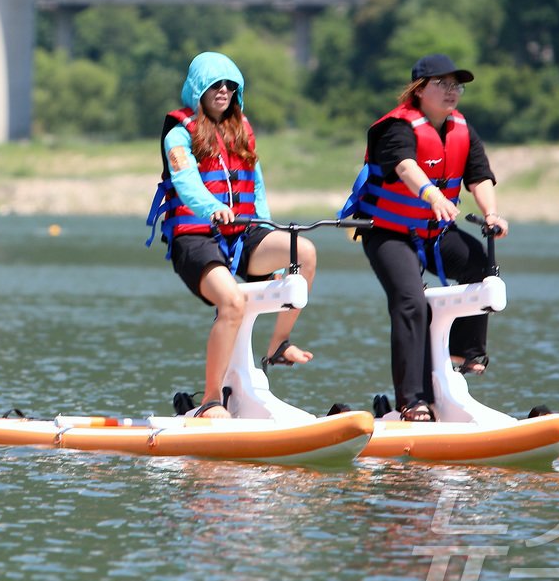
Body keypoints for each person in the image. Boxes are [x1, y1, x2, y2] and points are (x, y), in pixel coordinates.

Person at [146, 51, 316, 420]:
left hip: (241, 235)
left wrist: (267, 228)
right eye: (214, 84)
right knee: (233, 302)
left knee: (302, 252)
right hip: (195, 238)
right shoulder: (178, 134)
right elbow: (186, 182)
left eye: (229, 85)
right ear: (198, 89)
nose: (222, 90)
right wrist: (213, 209)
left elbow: (256, 188)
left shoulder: (242, 130)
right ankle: (210, 400)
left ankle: (278, 346)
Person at [344, 54, 509, 422]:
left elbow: (479, 175)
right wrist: (432, 195)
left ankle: (462, 354)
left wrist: (491, 213)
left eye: (457, 86)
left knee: (482, 267)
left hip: (434, 232)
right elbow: (405, 166)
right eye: (443, 84)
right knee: (410, 302)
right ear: (420, 89)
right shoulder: (397, 128)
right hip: (387, 232)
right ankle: (412, 400)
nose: (453, 92)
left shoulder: (462, 129)